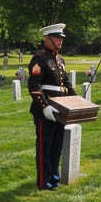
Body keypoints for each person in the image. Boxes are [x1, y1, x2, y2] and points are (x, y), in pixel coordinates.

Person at [28, 23, 76, 191]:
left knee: (57, 146)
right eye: (57, 38)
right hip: (46, 110)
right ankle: (44, 181)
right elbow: (34, 86)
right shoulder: (39, 58)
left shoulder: (60, 59)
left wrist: (77, 101)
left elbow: (66, 85)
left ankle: (54, 178)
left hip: (61, 109)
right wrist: (44, 106)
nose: (60, 41)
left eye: (61, 38)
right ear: (47, 39)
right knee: (45, 147)